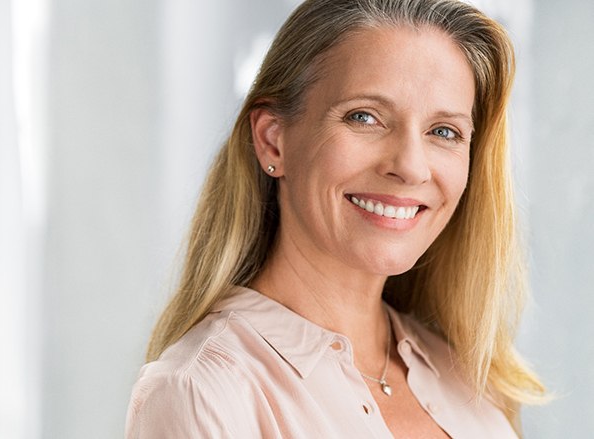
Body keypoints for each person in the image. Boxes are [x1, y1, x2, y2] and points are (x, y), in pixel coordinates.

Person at [125, 0, 546, 437]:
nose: (411, 167)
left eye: (444, 132)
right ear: (273, 142)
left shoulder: (470, 380)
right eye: (364, 117)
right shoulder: (202, 394)